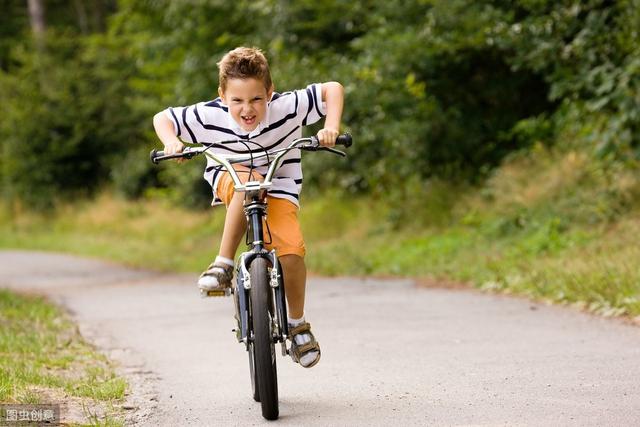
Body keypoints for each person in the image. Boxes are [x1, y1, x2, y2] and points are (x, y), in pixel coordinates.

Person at [152, 47, 344, 368]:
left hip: (279, 185)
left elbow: (332, 89)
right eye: (237, 101)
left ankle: (297, 324)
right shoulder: (208, 114)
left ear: (270, 92)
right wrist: (172, 142)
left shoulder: (286, 107)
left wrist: (331, 127)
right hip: (230, 176)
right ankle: (223, 265)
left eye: (256, 99)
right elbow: (164, 118)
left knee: (293, 252)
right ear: (222, 96)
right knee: (248, 184)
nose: (247, 109)